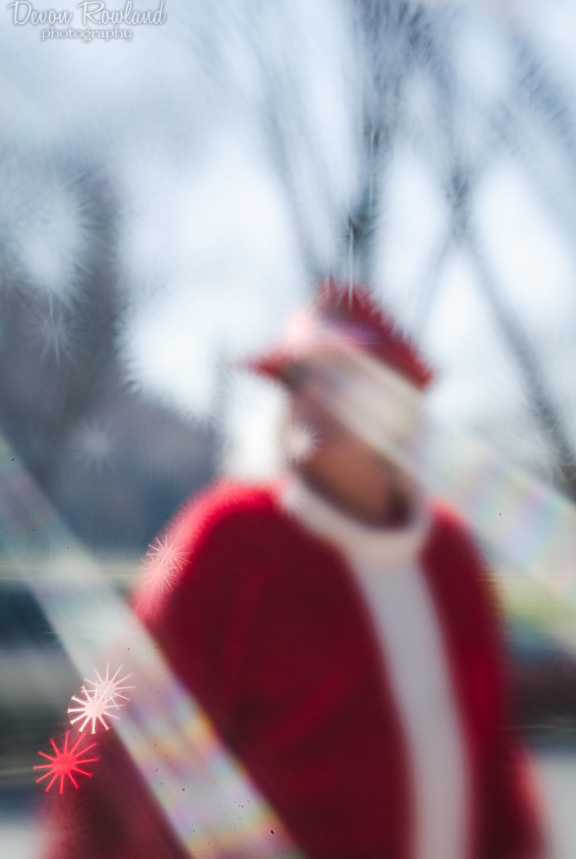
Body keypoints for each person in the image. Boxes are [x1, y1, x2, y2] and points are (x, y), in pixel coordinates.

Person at [47, 281, 544, 859]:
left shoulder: (449, 557)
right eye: (297, 378)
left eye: (347, 377)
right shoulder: (228, 541)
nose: (313, 396)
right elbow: (111, 743)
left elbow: (486, 753)